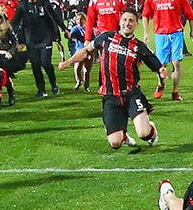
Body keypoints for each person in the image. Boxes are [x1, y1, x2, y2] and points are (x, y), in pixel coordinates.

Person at [66, 19, 164, 151]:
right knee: (115, 143)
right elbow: (86, 50)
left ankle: (151, 131)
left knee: (143, 134)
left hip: (131, 94)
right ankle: (123, 136)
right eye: (124, 20)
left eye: (131, 21)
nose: (127, 23)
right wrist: (68, 62)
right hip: (111, 96)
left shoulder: (139, 46)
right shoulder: (106, 37)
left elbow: (157, 66)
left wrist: (162, 72)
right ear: (120, 22)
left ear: (136, 25)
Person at [145, 0, 193, 101]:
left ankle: (175, 91)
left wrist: (192, 30)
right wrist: (145, 33)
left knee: (177, 63)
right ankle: (160, 85)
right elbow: (145, 15)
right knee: (161, 65)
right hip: (160, 34)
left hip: (176, 32)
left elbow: (189, 14)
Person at [18, 0, 66, 98]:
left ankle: (54, 84)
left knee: (46, 63)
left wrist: (64, 29)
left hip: (45, 38)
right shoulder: (23, 5)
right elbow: (16, 20)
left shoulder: (44, 3)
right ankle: (41, 89)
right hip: (31, 40)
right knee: (35, 65)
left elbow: (55, 16)